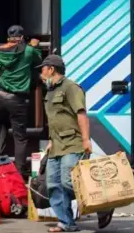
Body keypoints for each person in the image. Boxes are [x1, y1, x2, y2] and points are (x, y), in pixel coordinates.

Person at [37, 54, 114, 232]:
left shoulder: (71, 88)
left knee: (68, 182)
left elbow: (81, 115)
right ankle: (66, 223)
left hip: (73, 143)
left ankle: (103, 205)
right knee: (53, 184)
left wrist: (86, 140)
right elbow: (55, 119)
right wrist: (50, 141)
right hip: (56, 145)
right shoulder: (50, 91)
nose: (41, 73)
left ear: (51, 69)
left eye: (43, 69)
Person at [0, 25, 42, 177]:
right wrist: (35, 46)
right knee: (20, 137)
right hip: (16, 99)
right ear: (22, 37)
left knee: (2, 128)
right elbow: (38, 62)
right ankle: (19, 172)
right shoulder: (28, 51)